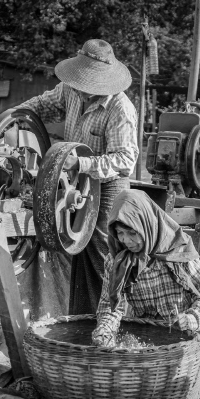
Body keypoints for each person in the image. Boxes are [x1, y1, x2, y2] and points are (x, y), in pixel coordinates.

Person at [16, 39, 139, 314]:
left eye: (90, 87)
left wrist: (81, 163)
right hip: (75, 181)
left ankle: (107, 321)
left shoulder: (121, 109)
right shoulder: (70, 89)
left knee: (100, 252)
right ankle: (81, 319)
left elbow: (126, 160)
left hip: (108, 185)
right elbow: (39, 106)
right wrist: (15, 118)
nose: (83, 93)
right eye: (82, 84)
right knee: (76, 249)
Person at [91, 190, 200, 389]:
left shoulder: (177, 250)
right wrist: (104, 330)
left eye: (132, 233)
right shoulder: (117, 261)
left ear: (146, 224)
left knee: (181, 384)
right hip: (147, 335)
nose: (127, 241)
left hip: (183, 332)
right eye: (120, 234)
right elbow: (110, 305)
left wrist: (192, 317)